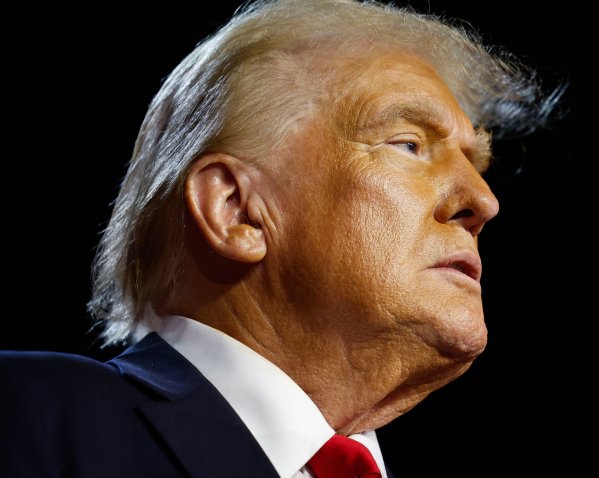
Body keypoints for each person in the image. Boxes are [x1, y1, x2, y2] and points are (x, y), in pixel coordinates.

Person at [1, 0, 560, 476]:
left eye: (476, 162)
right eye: (409, 144)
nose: (483, 201)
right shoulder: (28, 414)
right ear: (236, 210)